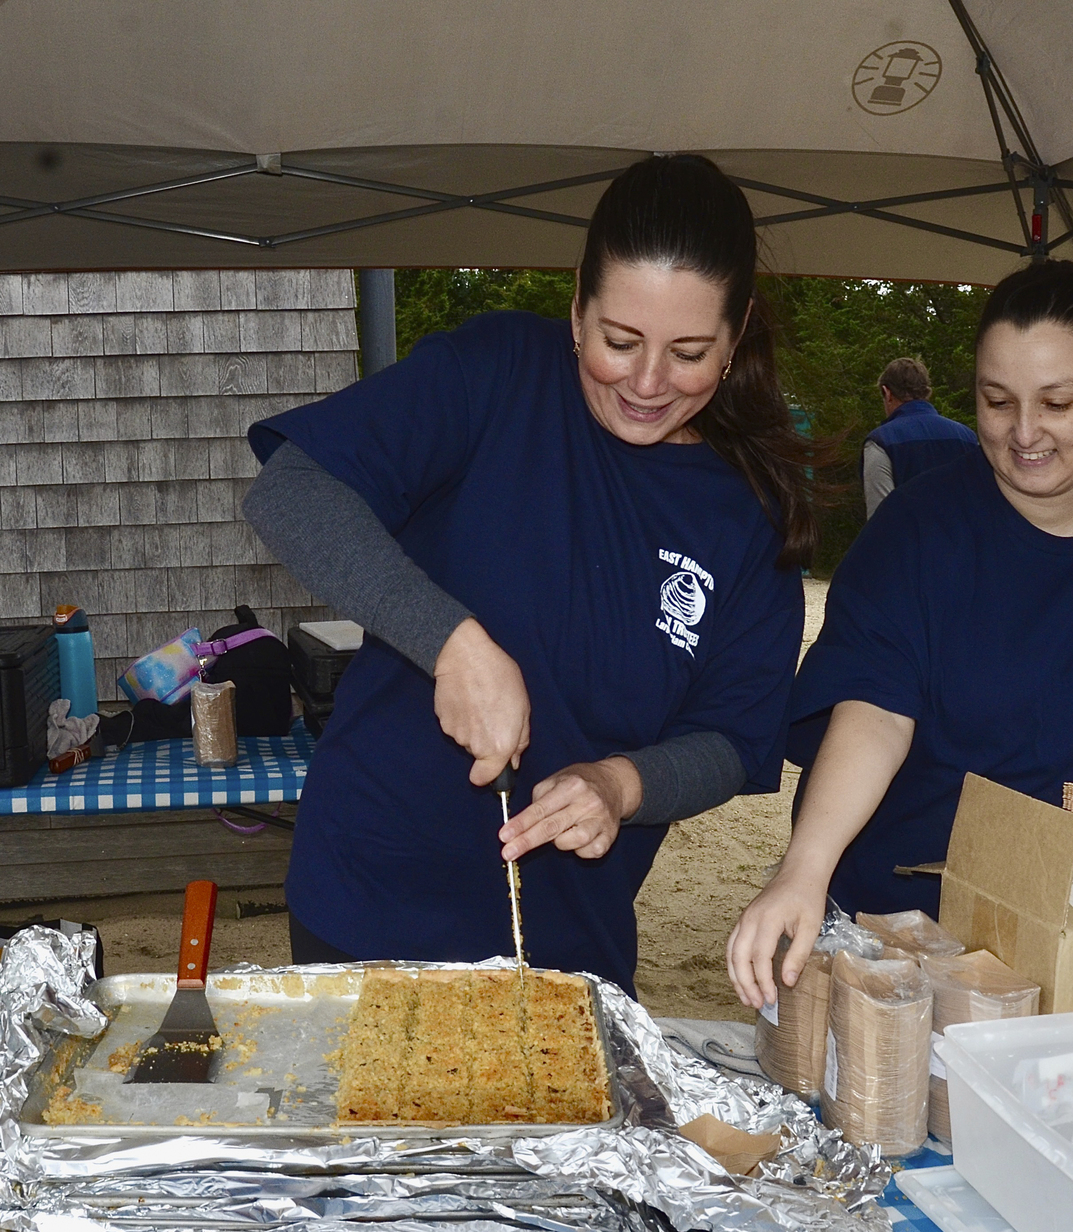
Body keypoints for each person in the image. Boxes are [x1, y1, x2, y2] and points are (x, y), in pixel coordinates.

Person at [241, 155, 811, 993]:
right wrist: (452, 644)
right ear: (579, 303)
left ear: (736, 336)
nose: (647, 384)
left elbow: (732, 739)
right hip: (367, 898)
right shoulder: (496, 371)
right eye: (620, 341)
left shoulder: (747, 517)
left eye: (688, 352)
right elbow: (292, 491)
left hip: (564, 939)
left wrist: (620, 783)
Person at [727, 260, 1073, 1009]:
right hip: (909, 940)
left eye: (1058, 401)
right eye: (997, 399)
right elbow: (874, 708)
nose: (1024, 432)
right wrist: (805, 867)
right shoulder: (918, 531)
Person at [862, 357, 978, 518]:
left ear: (887, 393)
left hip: (910, 541)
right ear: (926, 392)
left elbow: (880, 520)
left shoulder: (881, 442)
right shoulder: (968, 438)